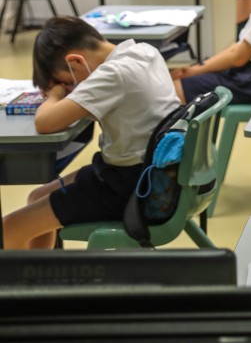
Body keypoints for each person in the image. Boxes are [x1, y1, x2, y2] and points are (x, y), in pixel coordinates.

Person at [2, 17, 181, 249]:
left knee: (9, 227)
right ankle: (43, 279)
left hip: (127, 186)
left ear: (75, 61)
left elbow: (45, 123)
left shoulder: (112, 74)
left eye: (68, 83)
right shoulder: (145, 52)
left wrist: (55, 95)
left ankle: (26, 285)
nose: (72, 90)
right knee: (37, 197)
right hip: (147, 171)